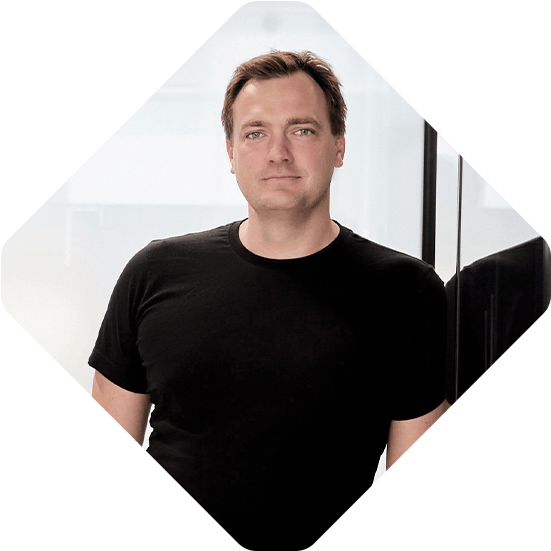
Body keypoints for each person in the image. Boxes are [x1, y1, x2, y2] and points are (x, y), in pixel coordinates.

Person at [90, 51, 448, 551]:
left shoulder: (407, 291)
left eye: (302, 129)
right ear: (232, 152)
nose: (277, 152)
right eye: (255, 133)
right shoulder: (155, 271)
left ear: (339, 145)